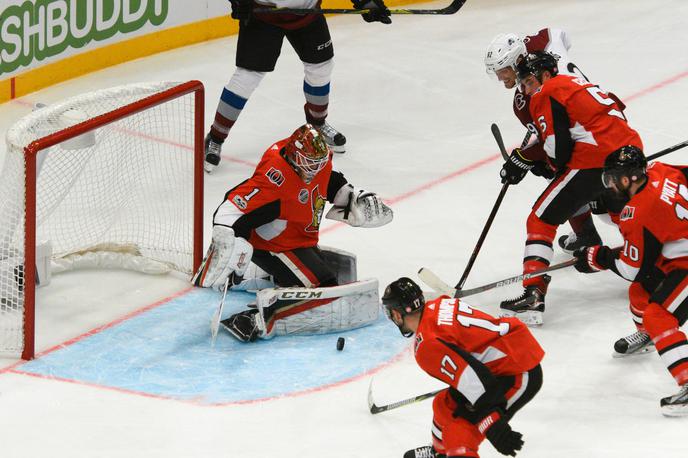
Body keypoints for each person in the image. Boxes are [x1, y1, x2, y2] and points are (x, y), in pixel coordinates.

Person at [193, 124, 393, 341]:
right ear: (295, 158)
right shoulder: (274, 178)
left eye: (319, 163)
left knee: (327, 275)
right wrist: (228, 248)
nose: (316, 169)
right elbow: (229, 210)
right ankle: (261, 318)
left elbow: (328, 181)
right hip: (274, 246)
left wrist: (354, 198)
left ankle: (257, 275)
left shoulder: (315, 161)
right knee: (323, 288)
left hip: (298, 239)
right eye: (310, 164)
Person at [497, 51, 643, 326]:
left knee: (540, 219)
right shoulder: (580, 83)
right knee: (625, 214)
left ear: (546, 75)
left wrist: (534, 159)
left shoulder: (546, 92)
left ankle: (533, 292)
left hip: (594, 162)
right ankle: (656, 263)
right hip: (630, 157)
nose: (527, 90)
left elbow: (558, 153)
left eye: (528, 82)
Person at [203, 0, 392, 173]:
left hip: (307, 12)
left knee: (321, 67)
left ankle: (317, 126)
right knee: (247, 77)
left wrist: (367, 1)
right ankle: (216, 137)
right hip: (264, 16)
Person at [574, 146, 688, 416]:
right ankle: (650, 335)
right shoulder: (662, 171)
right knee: (639, 293)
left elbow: (630, 268)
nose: (611, 183)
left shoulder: (638, 212)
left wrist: (597, 258)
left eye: (615, 177)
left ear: (631, 178)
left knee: (658, 316)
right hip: (675, 253)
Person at [382, 277, 544, 458]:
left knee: (459, 432)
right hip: (508, 354)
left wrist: (491, 421)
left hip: (516, 371)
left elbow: (476, 381)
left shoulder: (427, 346)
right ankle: (439, 453)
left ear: (397, 314)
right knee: (444, 405)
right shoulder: (439, 303)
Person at [484, 29, 606, 253]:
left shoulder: (531, 99)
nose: (501, 78)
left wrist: (526, 158)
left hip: (587, 138)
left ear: (517, 61)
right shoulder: (541, 48)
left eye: (502, 71)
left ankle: (587, 235)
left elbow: (557, 142)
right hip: (606, 116)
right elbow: (557, 34)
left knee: (560, 171)